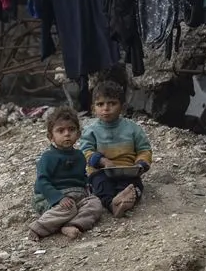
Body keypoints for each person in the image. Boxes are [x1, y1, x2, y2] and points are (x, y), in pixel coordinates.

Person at [29, 107, 105, 241]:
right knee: (68, 209)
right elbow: (42, 182)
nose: (67, 134)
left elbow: (82, 178)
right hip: (51, 198)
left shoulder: (80, 156)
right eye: (60, 131)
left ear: (78, 133)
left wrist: (88, 191)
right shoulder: (48, 157)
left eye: (71, 129)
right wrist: (58, 198)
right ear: (50, 136)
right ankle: (38, 228)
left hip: (77, 196)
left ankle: (71, 225)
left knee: (95, 204)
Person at [80, 80, 152, 217]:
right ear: (93, 108)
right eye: (100, 104)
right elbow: (85, 152)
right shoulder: (91, 131)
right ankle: (113, 204)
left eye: (112, 103)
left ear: (122, 107)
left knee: (135, 185)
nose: (105, 108)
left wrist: (141, 164)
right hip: (100, 171)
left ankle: (124, 198)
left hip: (127, 171)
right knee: (101, 186)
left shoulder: (132, 128)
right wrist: (102, 160)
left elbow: (144, 149)